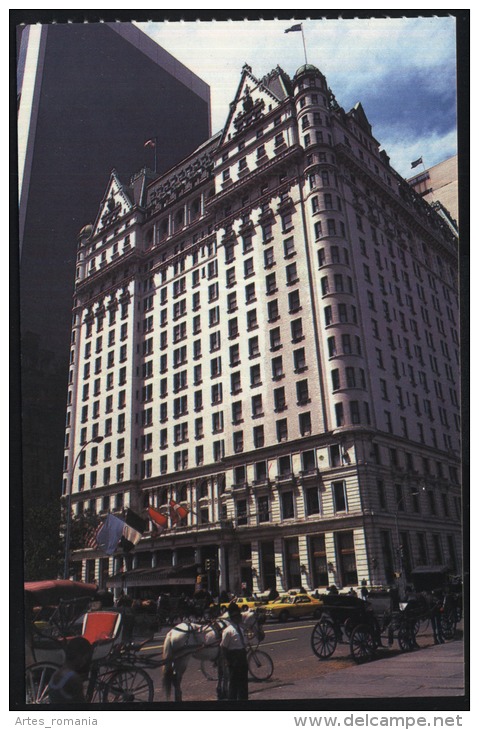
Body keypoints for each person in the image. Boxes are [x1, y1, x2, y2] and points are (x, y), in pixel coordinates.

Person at [48, 637, 93, 704]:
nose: (85, 662)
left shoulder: (56, 674)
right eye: (85, 658)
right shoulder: (74, 679)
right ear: (79, 656)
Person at [220, 602, 249, 700]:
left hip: (242, 657)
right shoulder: (228, 631)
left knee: (244, 683)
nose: (240, 618)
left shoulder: (240, 629)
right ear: (233, 618)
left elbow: (244, 642)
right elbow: (224, 647)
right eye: (237, 616)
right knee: (234, 683)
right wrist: (227, 661)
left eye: (239, 616)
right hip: (234, 659)